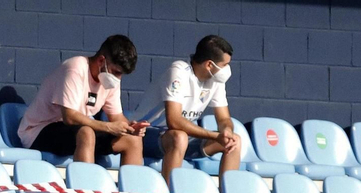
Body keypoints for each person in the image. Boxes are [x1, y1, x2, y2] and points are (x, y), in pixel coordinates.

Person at [16, 35, 146, 165]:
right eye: (116, 72)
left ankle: (133, 186)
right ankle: (86, 185)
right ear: (101, 61)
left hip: (75, 132)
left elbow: (116, 117)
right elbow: (70, 117)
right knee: (86, 133)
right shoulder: (75, 68)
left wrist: (130, 128)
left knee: (133, 140)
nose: (119, 78)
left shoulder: (110, 81)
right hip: (38, 132)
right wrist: (108, 127)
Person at [131, 35, 241, 185]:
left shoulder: (216, 81)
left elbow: (223, 119)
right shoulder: (179, 71)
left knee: (234, 141)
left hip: (180, 137)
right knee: (179, 137)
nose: (227, 70)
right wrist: (215, 136)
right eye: (224, 65)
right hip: (146, 134)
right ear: (209, 65)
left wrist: (226, 130)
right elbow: (174, 121)